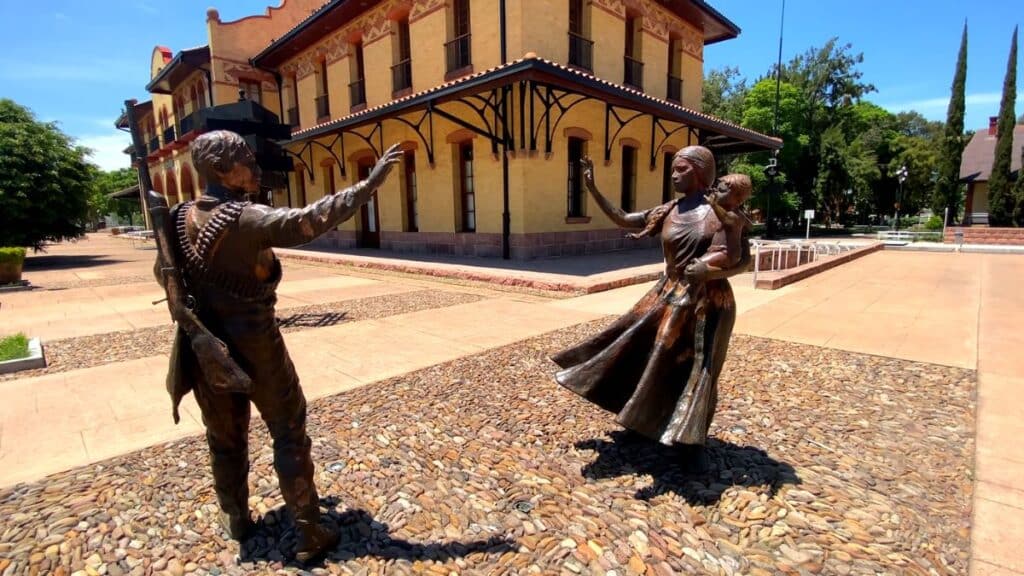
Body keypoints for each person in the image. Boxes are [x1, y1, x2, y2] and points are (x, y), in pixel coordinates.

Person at [155, 130, 402, 561]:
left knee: (225, 439)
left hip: (207, 349)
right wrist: (369, 184)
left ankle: (237, 519)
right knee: (288, 432)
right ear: (220, 170)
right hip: (257, 347)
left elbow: (165, 273)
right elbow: (309, 220)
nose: (254, 167)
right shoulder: (246, 218)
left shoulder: (177, 218)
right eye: (245, 160)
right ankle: (309, 531)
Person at [551, 147, 750, 464]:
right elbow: (624, 219)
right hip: (669, 292)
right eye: (673, 168)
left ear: (699, 172)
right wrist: (591, 187)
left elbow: (742, 262)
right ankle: (643, 418)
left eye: (681, 169)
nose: (674, 175)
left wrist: (714, 271)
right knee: (645, 352)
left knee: (701, 369)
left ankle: (690, 444)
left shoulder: (723, 210)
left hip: (709, 301)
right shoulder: (669, 209)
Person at [674, 173, 753, 308]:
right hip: (718, 250)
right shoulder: (739, 215)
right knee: (696, 265)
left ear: (738, 199)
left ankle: (693, 296)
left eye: (721, 191)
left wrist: (713, 205)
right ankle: (702, 295)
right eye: (716, 188)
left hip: (726, 253)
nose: (716, 192)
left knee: (694, 268)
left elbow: (726, 219)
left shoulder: (734, 216)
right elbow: (749, 224)